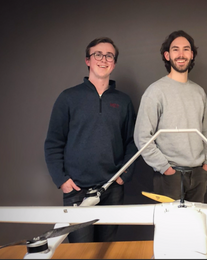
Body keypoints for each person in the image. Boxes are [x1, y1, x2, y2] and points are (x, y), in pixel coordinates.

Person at [44, 37, 137, 243]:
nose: (103, 59)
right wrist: (61, 180)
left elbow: (132, 141)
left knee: (106, 249)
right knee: (81, 252)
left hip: (112, 189)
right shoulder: (68, 98)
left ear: (114, 62)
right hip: (77, 190)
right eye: (98, 54)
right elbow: (53, 142)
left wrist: (124, 175)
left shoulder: (123, 101)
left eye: (109, 55)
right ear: (88, 60)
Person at [134, 30, 207, 203]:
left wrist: (206, 163)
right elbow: (142, 137)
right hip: (169, 177)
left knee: (195, 228)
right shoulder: (155, 91)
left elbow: (205, 133)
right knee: (169, 230)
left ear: (192, 55)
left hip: (198, 175)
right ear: (167, 55)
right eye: (175, 49)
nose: (181, 54)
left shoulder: (199, 92)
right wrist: (166, 169)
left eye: (186, 49)